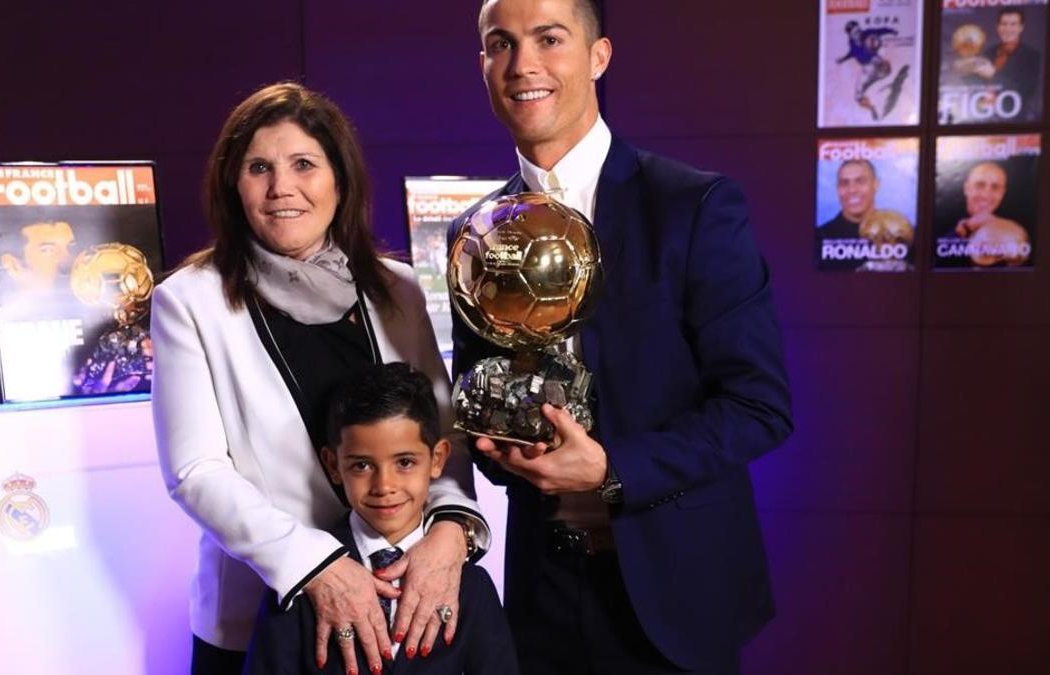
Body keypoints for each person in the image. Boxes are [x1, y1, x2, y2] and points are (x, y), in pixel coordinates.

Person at [451, 1, 793, 673]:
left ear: (598, 55)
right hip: (539, 598)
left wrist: (611, 469)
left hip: (674, 594)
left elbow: (759, 406)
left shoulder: (693, 206)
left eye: (549, 39)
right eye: (501, 44)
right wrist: (494, 447)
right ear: (484, 64)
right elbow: (483, 402)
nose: (524, 66)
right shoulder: (476, 231)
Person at [151, 82, 489, 675]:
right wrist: (317, 565)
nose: (282, 187)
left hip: (399, 606)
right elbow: (195, 471)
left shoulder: (397, 288)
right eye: (259, 167)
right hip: (265, 617)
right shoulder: (189, 301)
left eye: (304, 164)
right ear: (235, 185)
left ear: (339, 180)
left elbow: (443, 434)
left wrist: (451, 530)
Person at [244, 363, 518, 675]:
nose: (384, 486)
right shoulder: (298, 582)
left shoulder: (472, 586)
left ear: (437, 459)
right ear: (333, 465)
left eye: (404, 462)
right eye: (362, 465)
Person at [968, 8, 1042, 120]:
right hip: (984, 117)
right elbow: (975, 85)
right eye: (1004, 24)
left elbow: (1026, 91)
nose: (1008, 29)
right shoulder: (989, 52)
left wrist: (994, 75)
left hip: (1015, 121)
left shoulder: (1032, 56)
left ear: (1021, 28)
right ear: (998, 27)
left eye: (1013, 24)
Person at [952, 161, 1029, 267]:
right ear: (967, 188)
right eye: (980, 185)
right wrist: (965, 228)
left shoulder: (1019, 221)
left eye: (995, 188)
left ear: (1002, 193)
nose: (985, 195)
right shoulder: (942, 218)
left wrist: (996, 225)